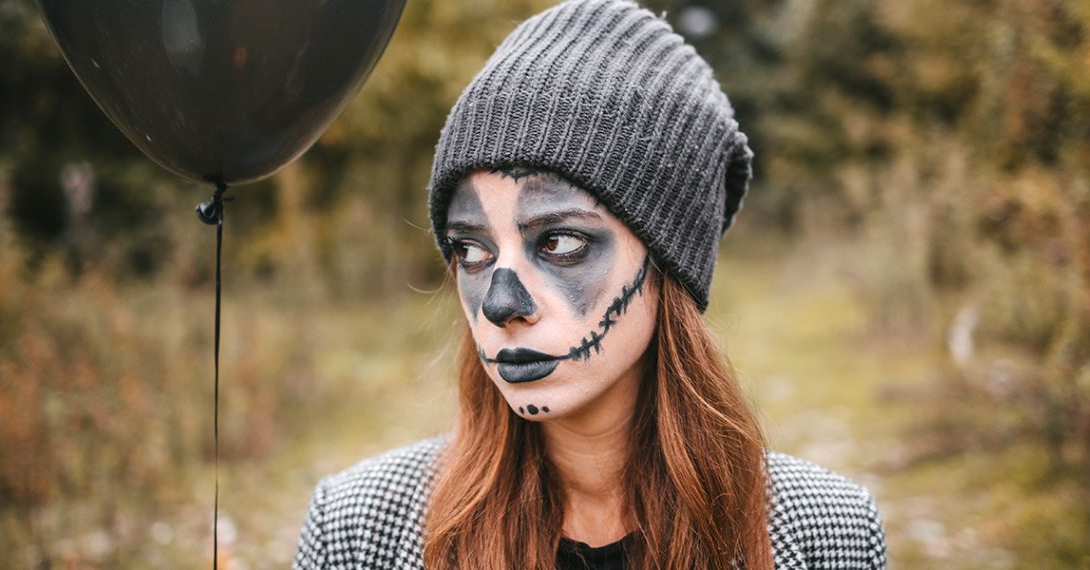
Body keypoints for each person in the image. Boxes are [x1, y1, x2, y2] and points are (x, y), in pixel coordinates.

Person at [293, 0, 887, 568]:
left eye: (558, 243)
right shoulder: (357, 531)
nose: (501, 305)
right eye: (471, 250)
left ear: (669, 263)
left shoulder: (824, 532)